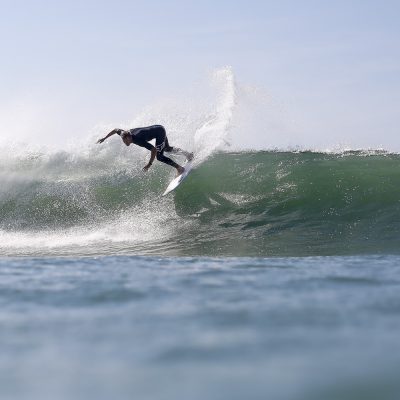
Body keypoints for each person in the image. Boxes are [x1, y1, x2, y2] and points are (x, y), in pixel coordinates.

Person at [97, 125, 193, 176]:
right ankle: (187, 154)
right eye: (123, 140)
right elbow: (115, 129)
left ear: (130, 137)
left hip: (160, 132)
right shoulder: (124, 133)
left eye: (125, 140)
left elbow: (153, 150)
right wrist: (104, 138)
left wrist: (149, 164)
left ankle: (179, 168)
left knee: (159, 157)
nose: (124, 142)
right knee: (166, 148)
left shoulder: (138, 140)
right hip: (159, 128)